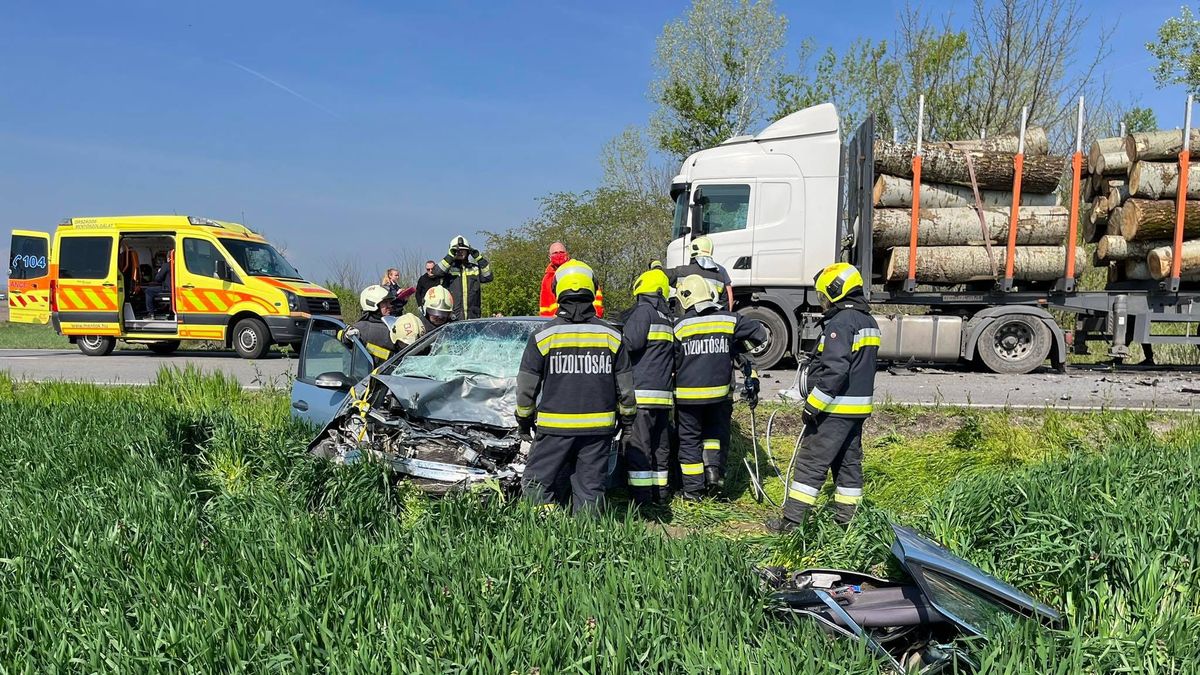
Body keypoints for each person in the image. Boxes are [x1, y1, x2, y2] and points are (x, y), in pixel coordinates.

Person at [515, 260, 636, 515]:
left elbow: (526, 387)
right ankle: (586, 542)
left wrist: (524, 421)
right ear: (592, 289)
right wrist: (627, 425)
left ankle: (546, 531)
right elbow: (626, 389)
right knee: (590, 488)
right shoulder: (612, 335)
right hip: (598, 429)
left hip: (555, 429)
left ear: (558, 290)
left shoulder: (544, 335)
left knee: (537, 482)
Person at [767, 263, 879, 533]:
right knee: (848, 466)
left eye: (824, 296)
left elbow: (835, 369)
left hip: (834, 410)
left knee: (810, 464)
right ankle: (847, 522)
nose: (823, 302)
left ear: (836, 292)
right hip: (856, 411)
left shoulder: (841, 323)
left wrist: (813, 406)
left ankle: (792, 523)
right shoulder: (868, 321)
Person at [673, 274, 766, 500]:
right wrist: (733, 347)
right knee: (714, 435)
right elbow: (760, 334)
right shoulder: (729, 320)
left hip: (688, 399)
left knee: (689, 441)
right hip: (720, 396)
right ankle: (714, 476)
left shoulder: (680, 326)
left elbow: (673, 360)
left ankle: (693, 491)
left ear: (686, 299)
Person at [620, 267, 676, 505]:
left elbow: (629, 345)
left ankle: (641, 501)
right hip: (663, 398)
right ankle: (660, 496)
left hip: (642, 396)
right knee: (660, 449)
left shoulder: (643, 312)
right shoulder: (667, 318)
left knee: (640, 448)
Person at [666, 236, 734, 311]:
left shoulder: (682, 272)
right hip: (712, 317)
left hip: (688, 318)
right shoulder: (720, 273)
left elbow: (663, 274)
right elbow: (728, 297)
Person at [432, 235, 492, 320]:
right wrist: (449, 256)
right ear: (451, 251)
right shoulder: (448, 269)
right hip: (452, 318)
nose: (460, 252)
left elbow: (488, 277)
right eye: (457, 250)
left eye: (463, 250)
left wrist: (479, 258)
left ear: (468, 252)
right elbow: (436, 272)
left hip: (473, 318)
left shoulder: (474, 268)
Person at [539, 243, 605, 318]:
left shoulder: (578, 270)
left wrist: (596, 315)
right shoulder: (547, 278)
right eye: (555, 253)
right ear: (549, 257)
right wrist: (546, 321)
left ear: (567, 254)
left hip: (584, 318)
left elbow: (596, 293)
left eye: (561, 252)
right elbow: (544, 305)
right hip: (557, 322)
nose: (559, 255)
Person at [343, 284, 397, 364]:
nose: (390, 306)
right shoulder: (361, 328)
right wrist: (346, 336)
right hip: (371, 375)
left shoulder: (392, 323)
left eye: (390, 302)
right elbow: (344, 340)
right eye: (385, 303)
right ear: (371, 303)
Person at [143, 251, 173, 317]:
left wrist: (159, 271)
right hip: (176, 289)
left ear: (168, 258)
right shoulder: (179, 265)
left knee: (148, 291)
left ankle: (151, 313)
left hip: (168, 289)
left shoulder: (166, 265)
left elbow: (158, 279)